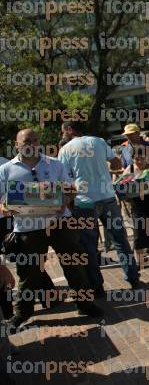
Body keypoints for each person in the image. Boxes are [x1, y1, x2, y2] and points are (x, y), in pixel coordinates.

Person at [0, 129, 103, 329]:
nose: (31, 144)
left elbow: (71, 188)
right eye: (26, 141)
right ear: (17, 144)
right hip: (28, 229)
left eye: (35, 140)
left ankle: (85, 304)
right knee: (29, 274)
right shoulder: (6, 170)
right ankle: (21, 314)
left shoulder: (54, 164)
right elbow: (1, 203)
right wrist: (6, 208)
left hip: (60, 223)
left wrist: (65, 200)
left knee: (74, 266)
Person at [59, 121, 141, 295]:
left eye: (63, 132)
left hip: (84, 201)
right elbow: (116, 164)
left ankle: (97, 286)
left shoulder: (65, 150)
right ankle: (133, 277)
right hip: (108, 197)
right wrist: (102, 170)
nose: (62, 136)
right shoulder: (98, 141)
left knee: (89, 245)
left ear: (69, 129)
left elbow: (64, 180)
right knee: (120, 240)